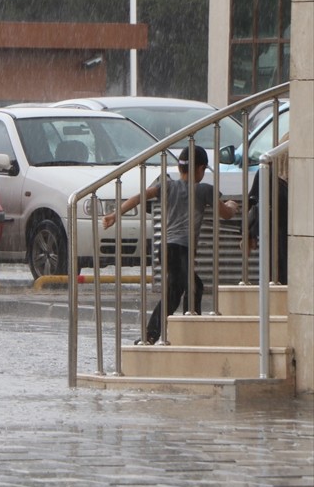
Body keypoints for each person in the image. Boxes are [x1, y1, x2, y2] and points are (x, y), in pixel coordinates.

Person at [102, 144, 240, 345]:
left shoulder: (167, 186)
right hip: (181, 250)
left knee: (180, 289)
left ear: (179, 166)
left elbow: (139, 196)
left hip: (165, 248)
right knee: (188, 288)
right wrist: (232, 206)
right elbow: (226, 214)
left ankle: (171, 329)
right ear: (201, 168)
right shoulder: (204, 190)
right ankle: (173, 330)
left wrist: (115, 214)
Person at [245, 131, 289, 284]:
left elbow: (251, 202)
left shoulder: (267, 172)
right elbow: (252, 202)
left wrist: (246, 233)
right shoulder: (269, 174)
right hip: (278, 235)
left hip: (272, 236)